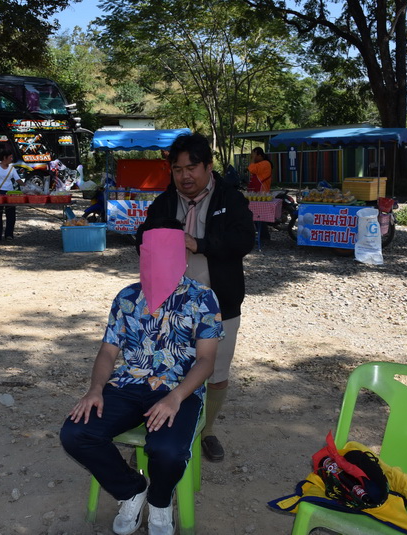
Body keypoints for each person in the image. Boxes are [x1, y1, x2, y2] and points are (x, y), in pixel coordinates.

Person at [60, 217, 223, 535]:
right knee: (75, 433)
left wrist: (176, 397)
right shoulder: (127, 297)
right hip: (127, 385)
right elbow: (108, 352)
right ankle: (132, 490)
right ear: (142, 255)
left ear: (183, 254)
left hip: (180, 389)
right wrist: (95, 389)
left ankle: (160, 501)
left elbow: (206, 361)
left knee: (168, 450)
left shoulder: (203, 298)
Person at [144, 133, 255, 463]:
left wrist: (200, 244)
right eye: (177, 170)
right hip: (171, 306)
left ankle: (207, 430)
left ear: (208, 166)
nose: (185, 176)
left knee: (216, 373)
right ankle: (162, 426)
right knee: (166, 368)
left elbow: (243, 241)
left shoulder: (230, 199)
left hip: (220, 305)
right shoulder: (165, 202)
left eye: (191, 168)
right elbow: (142, 238)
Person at [0, 145, 22, 240]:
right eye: (10, 157)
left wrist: (27, 186)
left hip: (10, 193)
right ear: (4, 157)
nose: (12, 159)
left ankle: (9, 234)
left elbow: (18, 179)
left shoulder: (11, 168)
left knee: (11, 214)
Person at [248, 147, 273, 241]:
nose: (252, 157)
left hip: (262, 192)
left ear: (259, 155)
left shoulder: (265, 164)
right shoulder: (261, 163)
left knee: (259, 216)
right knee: (257, 216)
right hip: (258, 193)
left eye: (254, 155)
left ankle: (264, 236)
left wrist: (252, 159)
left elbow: (251, 169)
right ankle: (263, 235)